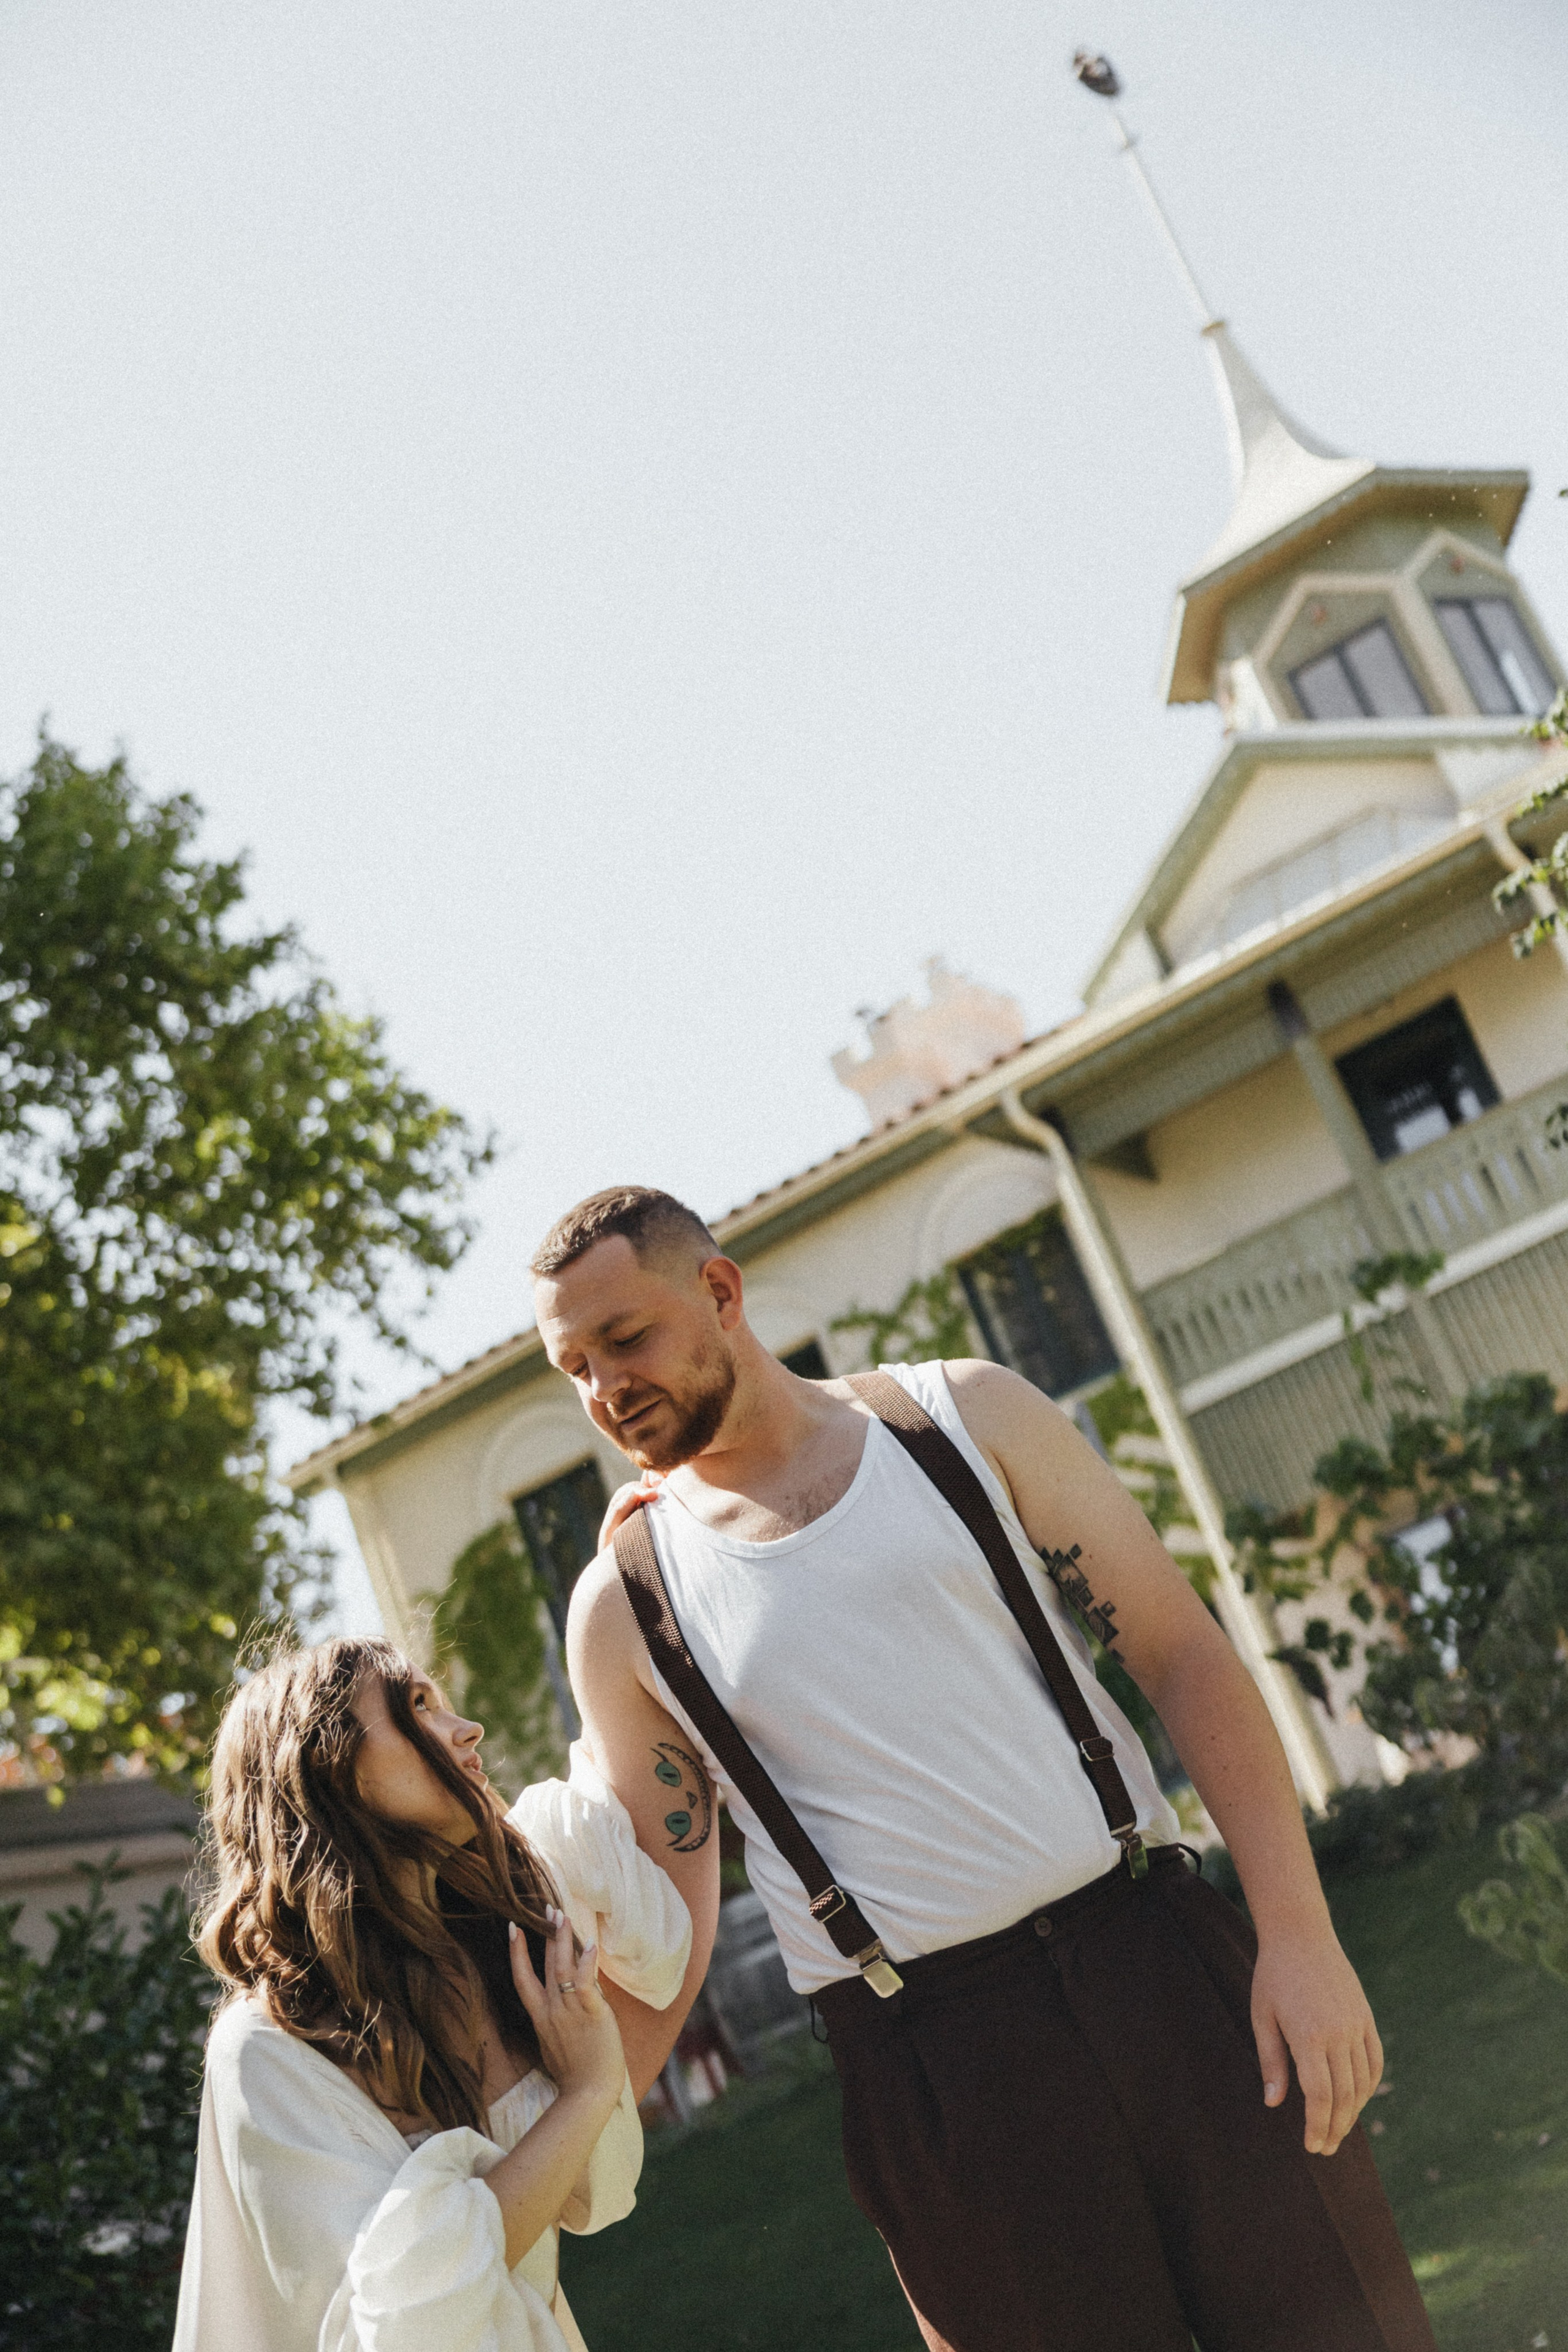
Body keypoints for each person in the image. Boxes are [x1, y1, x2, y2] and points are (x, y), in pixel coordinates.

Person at [533, 1184, 1439, 2352]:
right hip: (938, 2070)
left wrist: (1301, 1940)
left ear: (719, 1291)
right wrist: (551, 2141)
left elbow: (1181, 1656)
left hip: (1163, 1967)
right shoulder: (626, 1607)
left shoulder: (960, 1419)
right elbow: (670, 1921)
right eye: (574, 1367)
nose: (605, 1388)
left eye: (625, 1339)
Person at [173, 1635, 691, 2352]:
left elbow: (594, 2195)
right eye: (417, 1706)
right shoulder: (265, 2053)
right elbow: (406, 2327)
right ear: (327, 1767)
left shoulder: (489, 1958)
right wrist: (586, 2088)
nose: (466, 1729)